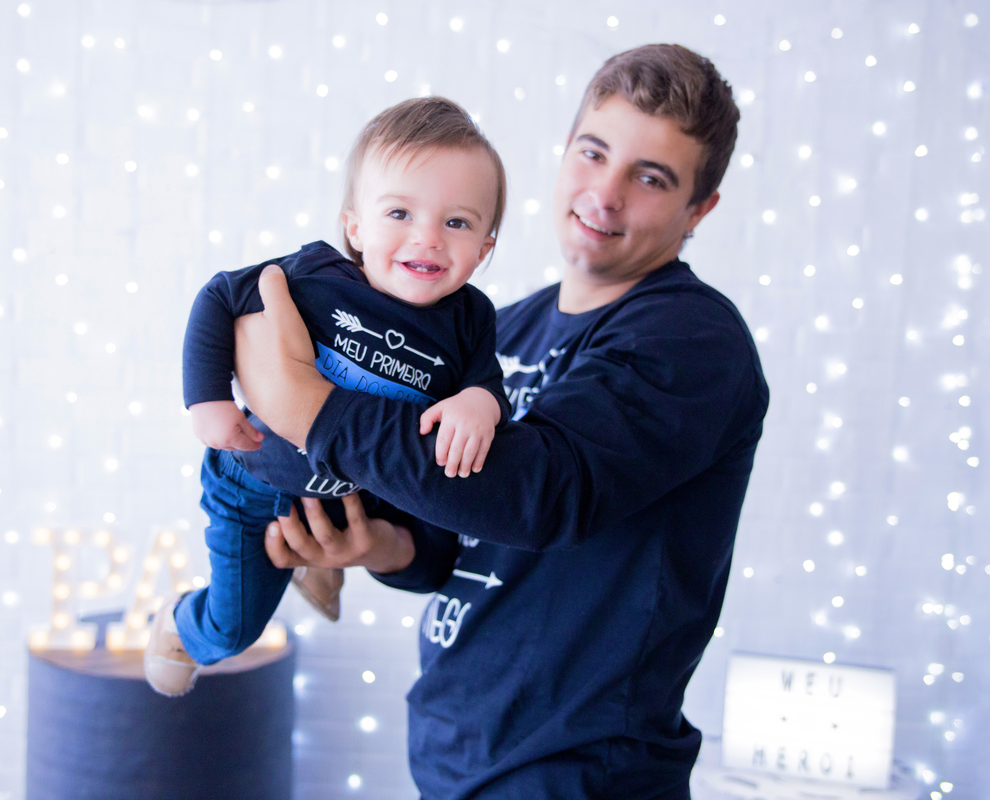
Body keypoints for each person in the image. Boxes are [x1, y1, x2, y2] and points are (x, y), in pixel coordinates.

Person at [233, 43, 770, 798]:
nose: (605, 194)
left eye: (650, 178)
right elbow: (451, 531)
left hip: (579, 774)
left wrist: (307, 406)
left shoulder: (691, 340)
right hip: (456, 754)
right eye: (594, 153)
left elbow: (543, 493)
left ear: (698, 210)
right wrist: (384, 546)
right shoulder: (496, 332)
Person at [143, 97, 513, 697]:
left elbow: (484, 382)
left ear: (485, 249)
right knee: (237, 627)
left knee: (425, 516)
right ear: (356, 226)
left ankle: (320, 562)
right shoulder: (317, 278)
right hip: (255, 479)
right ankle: (182, 625)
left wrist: (479, 403)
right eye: (400, 212)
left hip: (357, 488)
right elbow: (220, 296)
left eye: (457, 223)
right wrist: (205, 399)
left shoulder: (470, 318)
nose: (428, 238)